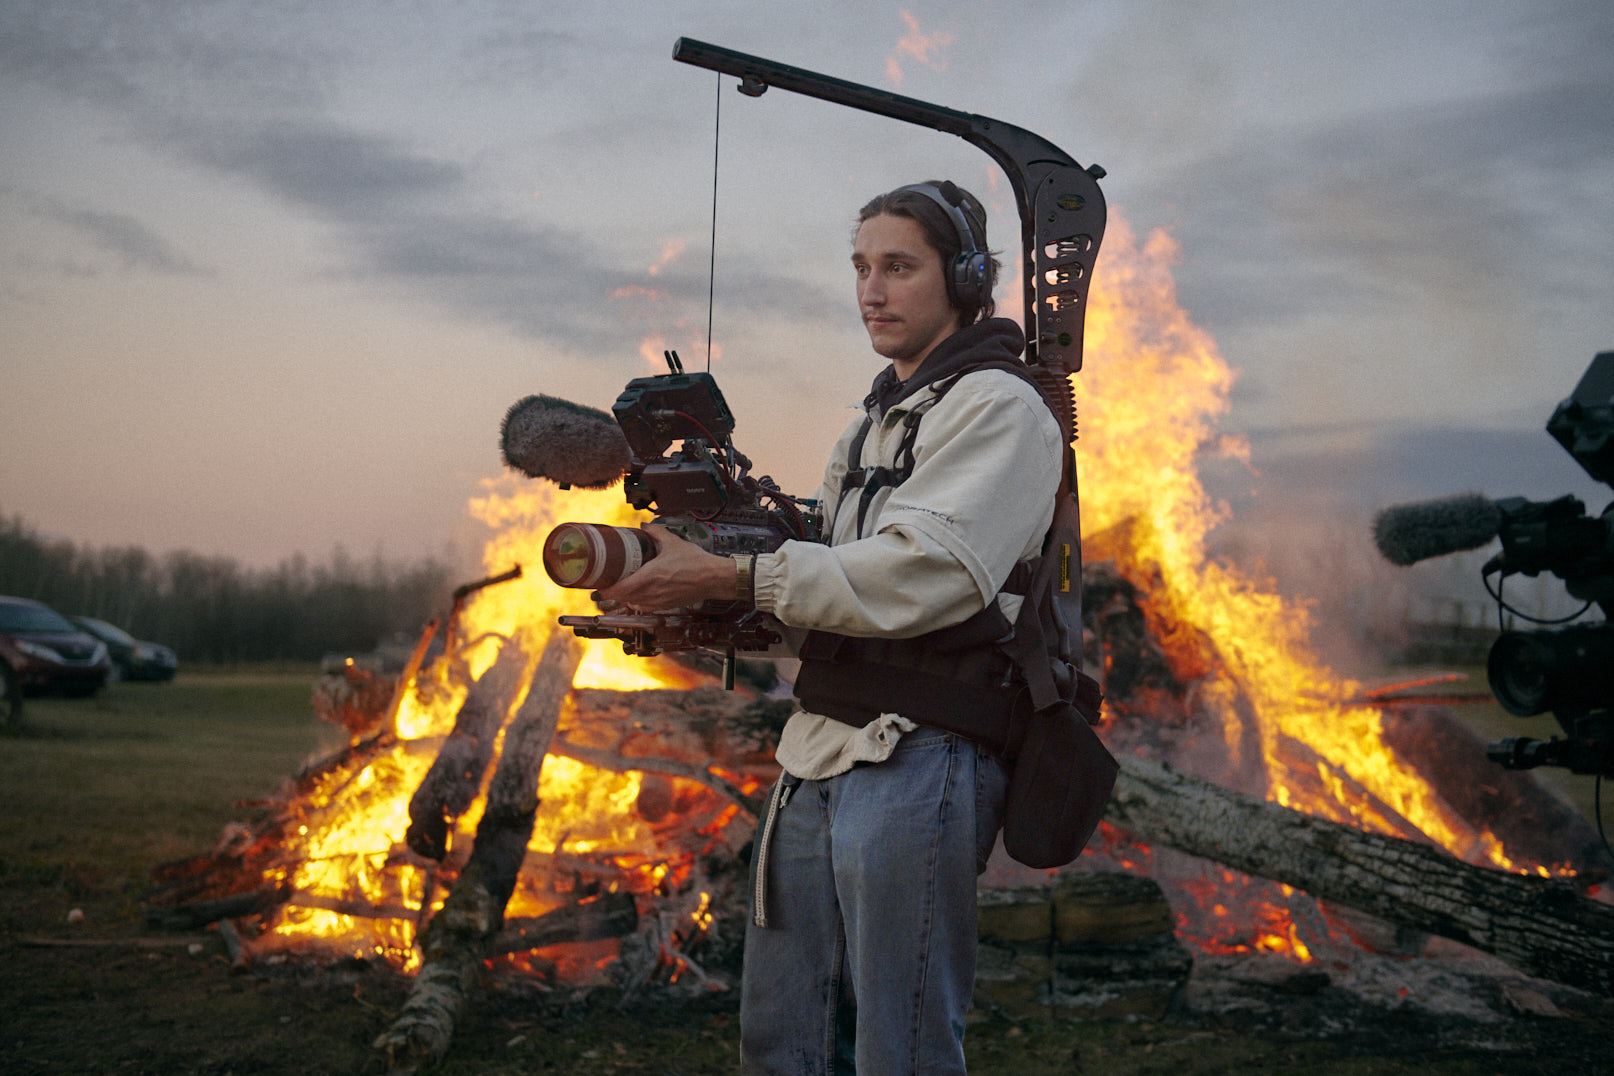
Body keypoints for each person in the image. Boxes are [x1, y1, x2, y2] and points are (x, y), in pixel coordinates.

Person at [599, 181, 1063, 1073]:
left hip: (923, 752)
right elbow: (831, 602)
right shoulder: (869, 424)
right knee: (782, 1038)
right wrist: (697, 608)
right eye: (861, 267)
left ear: (965, 278)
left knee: (903, 1047)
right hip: (816, 751)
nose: (872, 291)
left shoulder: (999, 408)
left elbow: (924, 577)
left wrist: (739, 573)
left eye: (899, 267)